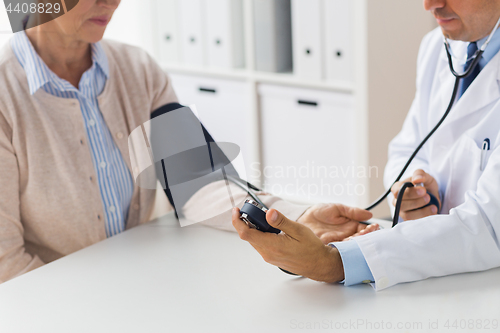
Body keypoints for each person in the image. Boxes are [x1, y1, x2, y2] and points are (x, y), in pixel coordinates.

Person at [0, 0, 377, 283]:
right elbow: (6, 264)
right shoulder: (6, 93)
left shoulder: (137, 69)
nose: (112, 2)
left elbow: (196, 182)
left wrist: (292, 219)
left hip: (134, 287)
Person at [233, 0, 500, 290]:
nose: (429, 5)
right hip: (437, 279)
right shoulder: (438, 46)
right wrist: (413, 193)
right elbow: (406, 150)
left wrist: (335, 262)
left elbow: (488, 227)